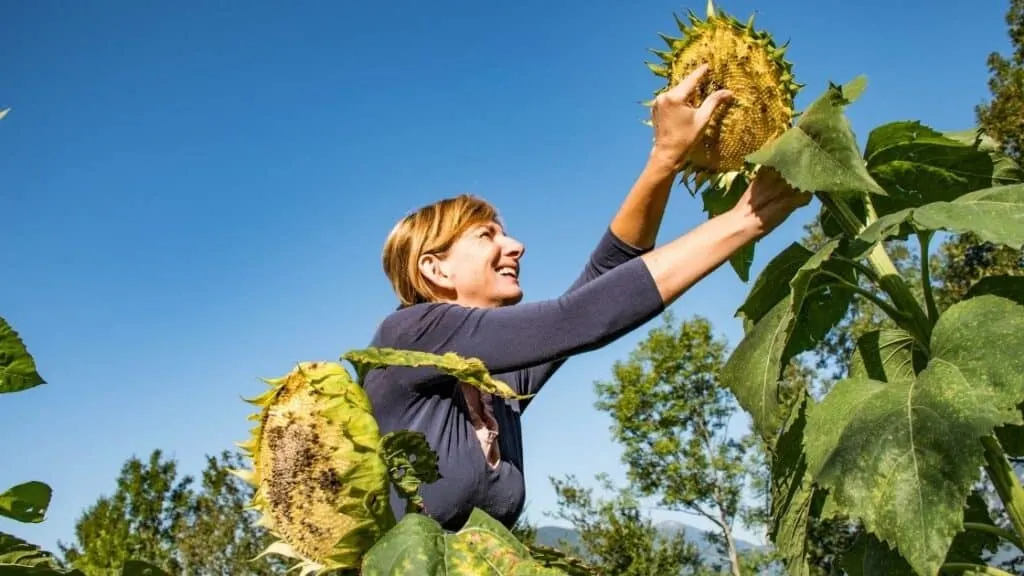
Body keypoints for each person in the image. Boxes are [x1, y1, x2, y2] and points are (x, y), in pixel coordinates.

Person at [362, 64, 809, 532]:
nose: (516, 246)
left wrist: (666, 157)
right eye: (486, 235)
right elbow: (578, 319)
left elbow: (603, 275)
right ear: (435, 269)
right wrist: (747, 219)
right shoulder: (410, 337)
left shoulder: (495, 386)